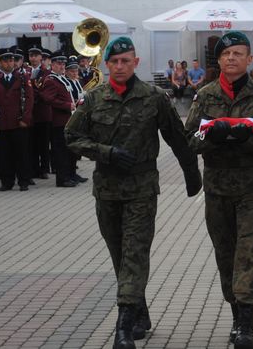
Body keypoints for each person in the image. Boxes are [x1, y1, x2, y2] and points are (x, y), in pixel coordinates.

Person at [66, 36, 202, 349]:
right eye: (114, 61)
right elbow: (72, 136)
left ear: (136, 62)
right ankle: (139, 311)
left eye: (125, 60)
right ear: (106, 64)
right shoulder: (94, 98)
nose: (119, 66)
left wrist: (191, 175)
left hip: (142, 190)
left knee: (135, 254)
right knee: (120, 256)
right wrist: (105, 152)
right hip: (107, 191)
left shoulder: (154, 97)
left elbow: (177, 138)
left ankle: (123, 327)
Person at [184, 31, 253, 349]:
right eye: (226, 54)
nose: (231, 59)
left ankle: (245, 324)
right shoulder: (205, 95)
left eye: (238, 54)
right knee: (225, 254)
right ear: (220, 59)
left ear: (249, 59)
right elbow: (188, 140)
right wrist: (210, 138)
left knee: (248, 252)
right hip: (217, 189)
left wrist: (248, 136)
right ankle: (235, 311)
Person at [0, 49, 34, 191]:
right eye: (5, 61)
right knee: (5, 155)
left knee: (21, 154)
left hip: (18, 122)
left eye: (11, 60)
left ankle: (23, 181)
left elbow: (29, 100)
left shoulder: (22, 78)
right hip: (3, 123)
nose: (9, 63)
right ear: (0, 63)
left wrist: (25, 119)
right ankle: (7, 182)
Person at [43, 53, 78, 188]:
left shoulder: (61, 79)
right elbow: (48, 99)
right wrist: (67, 105)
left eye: (63, 64)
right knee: (61, 151)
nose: (62, 66)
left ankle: (69, 176)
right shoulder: (51, 80)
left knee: (68, 150)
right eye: (59, 64)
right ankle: (62, 179)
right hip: (58, 121)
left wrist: (74, 103)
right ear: (52, 65)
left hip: (67, 119)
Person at [27, 45, 51, 179]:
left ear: (41, 57)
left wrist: (34, 92)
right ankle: (34, 168)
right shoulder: (25, 71)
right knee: (32, 143)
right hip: (30, 114)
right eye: (31, 55)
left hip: (43, 112)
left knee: (43, 143)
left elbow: (45, 91)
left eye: (36, 55)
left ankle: (44, 169)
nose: (33, 58)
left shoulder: (46, 72)